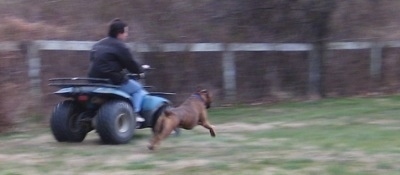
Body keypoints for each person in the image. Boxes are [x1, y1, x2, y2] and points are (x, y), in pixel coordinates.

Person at [88, 18, 148, 120]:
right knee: (137, 89)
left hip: (94, 80)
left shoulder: (97, 44)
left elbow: (94, 60)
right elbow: (130, 63)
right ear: (119, 33)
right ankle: (135, 115)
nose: (127, 35)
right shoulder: (120, 46)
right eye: (126, 32)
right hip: (112, 80)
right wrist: (140, 71)